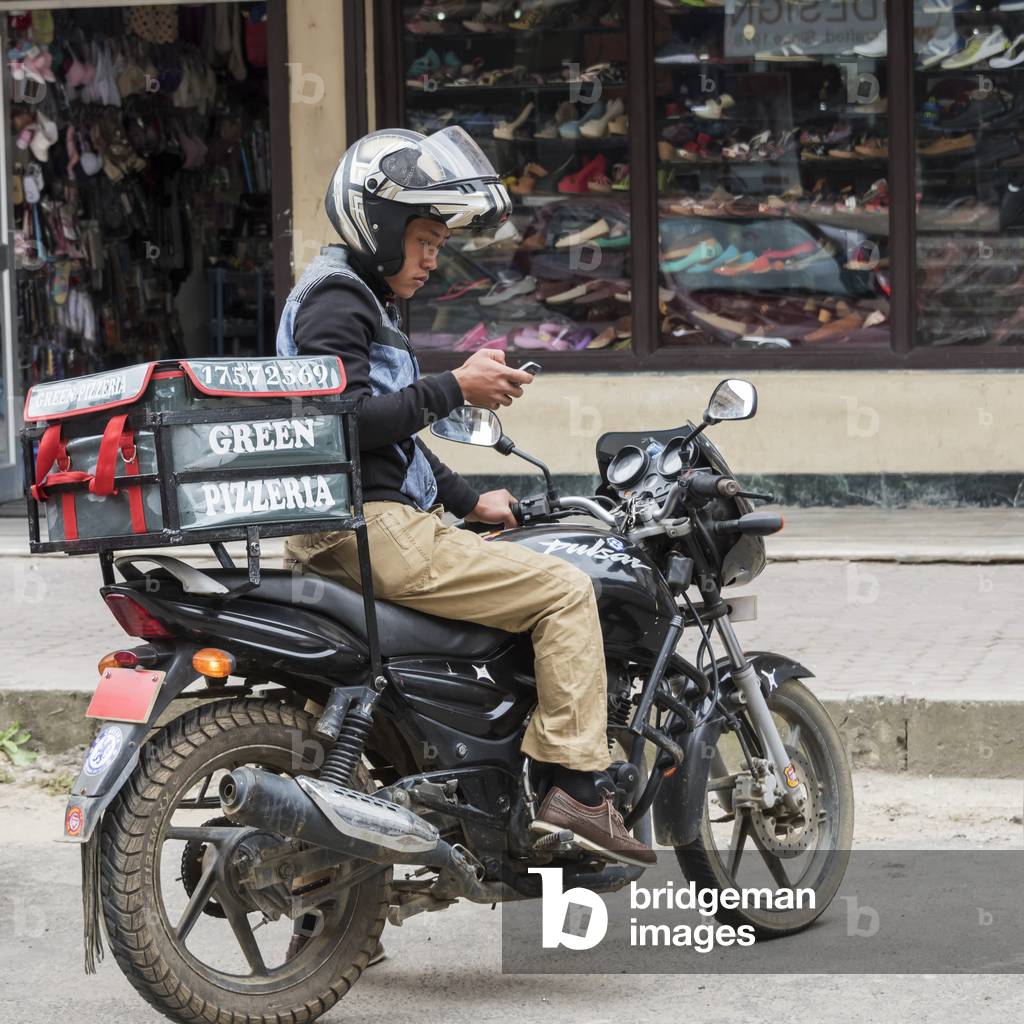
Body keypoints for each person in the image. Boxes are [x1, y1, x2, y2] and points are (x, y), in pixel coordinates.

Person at [276, 127, 654, 870]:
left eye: (438, 244)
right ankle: (576, 788)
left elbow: (389, 440)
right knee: (564, 591)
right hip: (368, 528)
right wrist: (456, 386)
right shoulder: (337, 302)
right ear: (379, 226)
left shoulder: (355, 300)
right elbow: (343, 423)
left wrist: (468, 501)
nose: (431, 258)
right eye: (423, 239)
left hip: (362, 522)